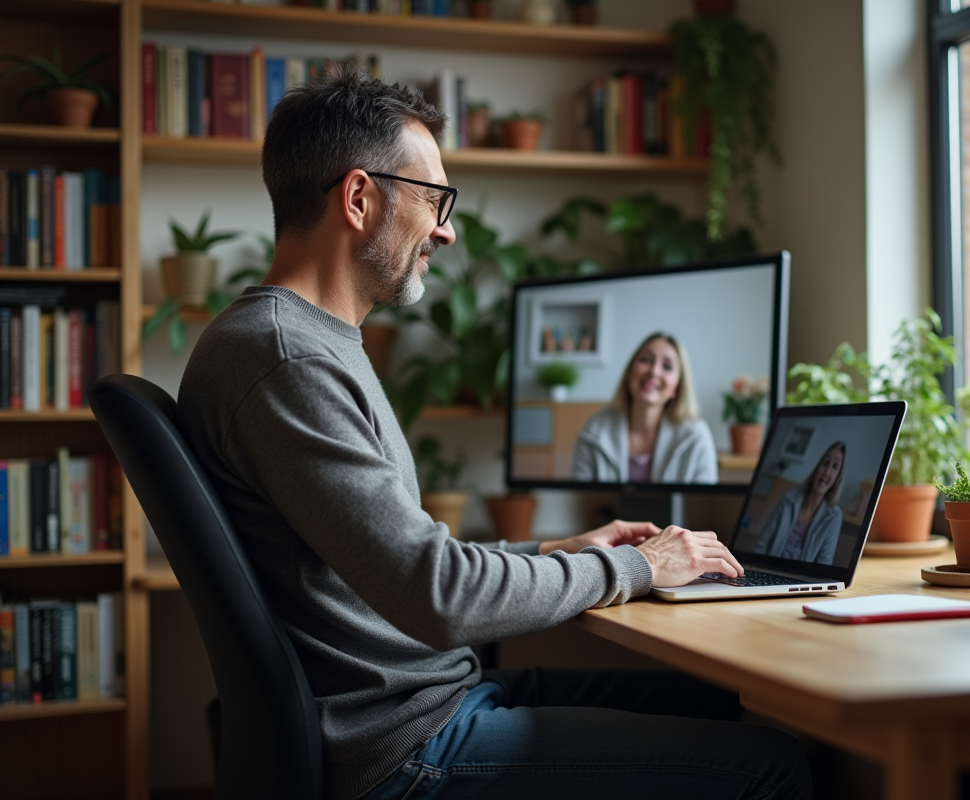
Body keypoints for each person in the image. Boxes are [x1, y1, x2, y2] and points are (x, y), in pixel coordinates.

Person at [176, 70, 809, 800]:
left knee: (732, 706)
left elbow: (399, 563)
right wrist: (641, 568)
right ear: (358, 198)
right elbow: (439, 593)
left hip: (422, 700)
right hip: (405, 746)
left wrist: (550, 550)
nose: (445, 229)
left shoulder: (300, 343)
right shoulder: (288, 359)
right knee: (773, 765)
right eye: (434, 199)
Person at [572, 332, 718, 484]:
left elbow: (705, 505)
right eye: (646, 360)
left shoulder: (696, 437)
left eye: (667, 367)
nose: (654, 371)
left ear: (678, 387)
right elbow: (579, 500)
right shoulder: (594, 430)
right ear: (630, 372)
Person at [751, 442, 847, 565]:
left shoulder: (834, 516)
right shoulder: (789, 498)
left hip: (800, 579)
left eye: (835, 466)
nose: (827, 472)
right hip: (770, 569)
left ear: (838, 476)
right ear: (818, 466)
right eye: (826, 463)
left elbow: (824, 563)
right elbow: (762, 542)